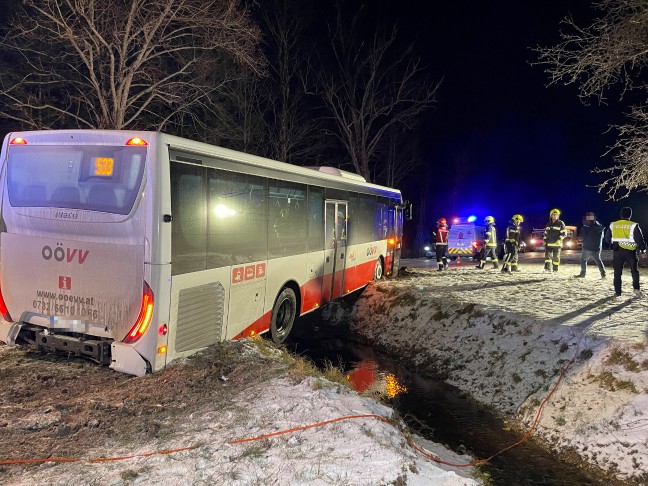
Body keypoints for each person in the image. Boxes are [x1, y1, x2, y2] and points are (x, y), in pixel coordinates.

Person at [604, 207, 646, 297]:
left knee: (617, 273)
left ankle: (618, 292)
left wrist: (613, 243)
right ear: (630, 215)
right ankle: (636, 289)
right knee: (634, 271)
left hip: (617, 251)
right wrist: (643, 250)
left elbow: (607, 238)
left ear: (621, 214)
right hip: (630, 252)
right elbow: (640, 239)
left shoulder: (613, 225)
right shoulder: (634, 225)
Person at [575, 212, 606, 279]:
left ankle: (583, 273)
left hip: (587, 247)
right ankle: (603, 273)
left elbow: (582, 237)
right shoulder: (600, 227)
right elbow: (602, 237)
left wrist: (579, 240)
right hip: (597, 248)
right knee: (598, 260)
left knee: (583, 260)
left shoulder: (586, 227)